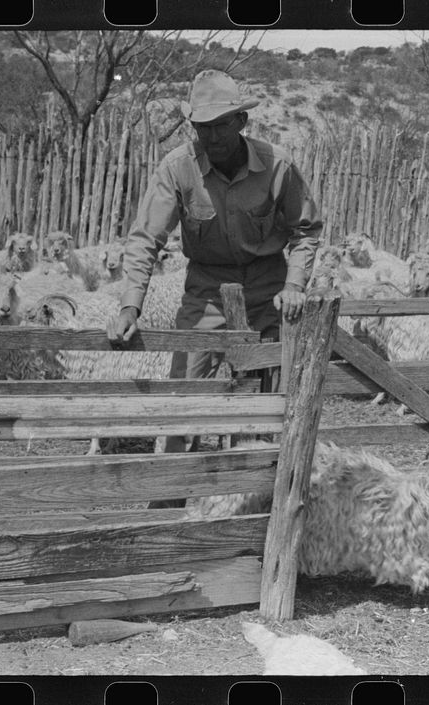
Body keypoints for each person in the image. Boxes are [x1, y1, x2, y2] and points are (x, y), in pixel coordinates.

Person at [107, 69, 323, 454]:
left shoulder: (278, 166)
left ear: (241, 121)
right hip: (205, 292)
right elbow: (145, 239)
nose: (212, 137)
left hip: (266, 294)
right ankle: (173, 496)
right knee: (184, 399)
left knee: (264, 404)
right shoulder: (177, 167)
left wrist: (294, 286)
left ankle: (253, 497)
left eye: (221, 126)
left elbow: (305, 230)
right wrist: (129, 305)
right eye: (202, 127)